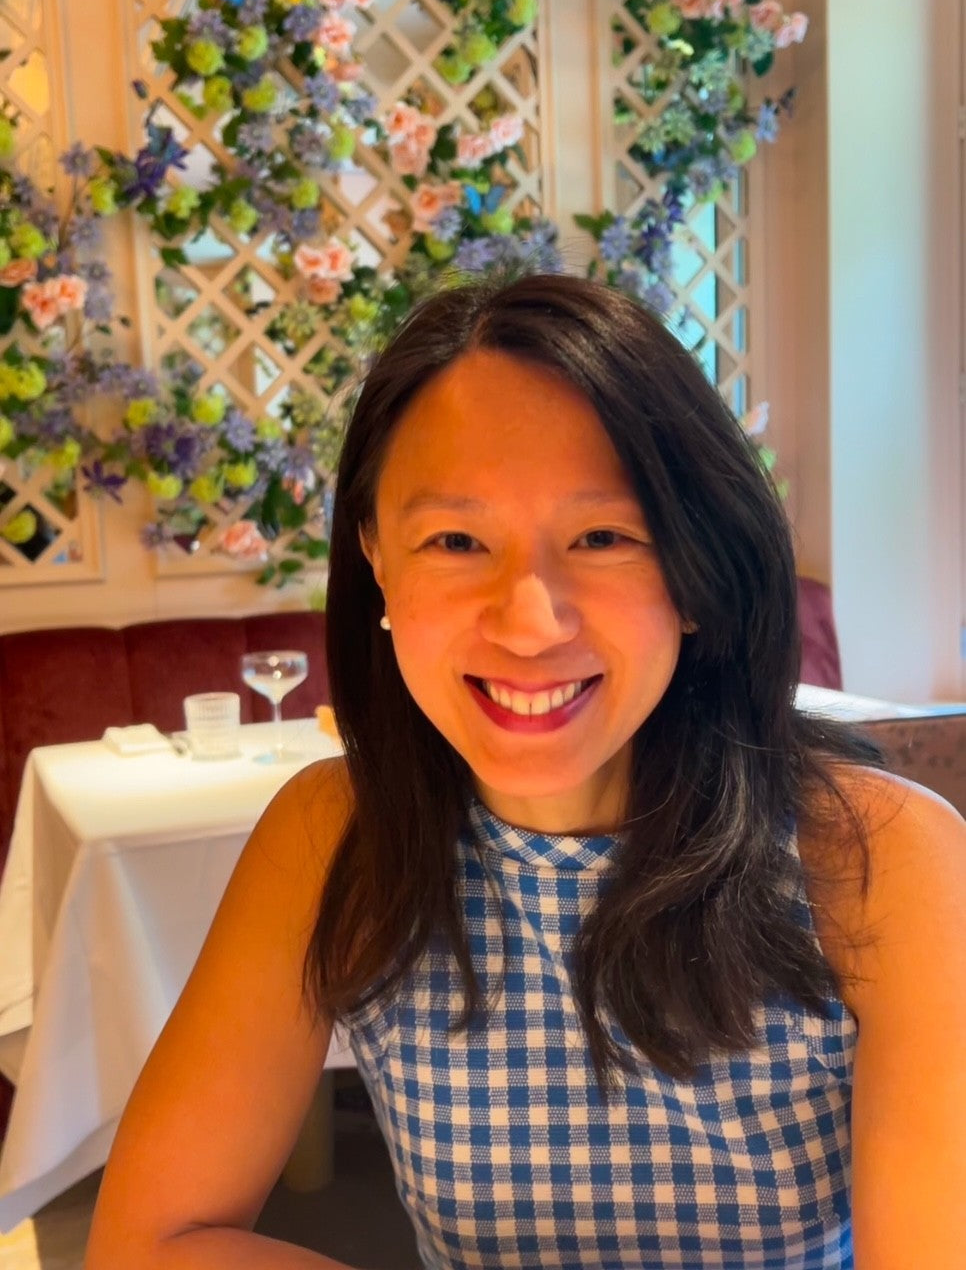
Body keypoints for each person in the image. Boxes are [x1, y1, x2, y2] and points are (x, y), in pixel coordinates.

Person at [85, 274, 966, 1270]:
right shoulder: (338, 836)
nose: (531, 622)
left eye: (603, 537)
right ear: (378, 559)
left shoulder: (876, 859)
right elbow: (152, 1240)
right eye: (456, 540)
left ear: (695, 570)